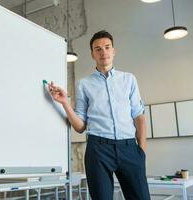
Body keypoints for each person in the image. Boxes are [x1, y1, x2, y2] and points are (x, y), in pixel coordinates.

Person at [49, 30, 150, 200]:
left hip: (129, 149)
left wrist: (142, 151)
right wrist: (65, 102)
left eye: (107, 47)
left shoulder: (129, 79)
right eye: (98, 49)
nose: (103, 52)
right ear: (92, 54)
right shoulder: (84, 84)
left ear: (113, 51)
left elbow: (139, 117)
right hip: (98, 150)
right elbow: (80, 126)